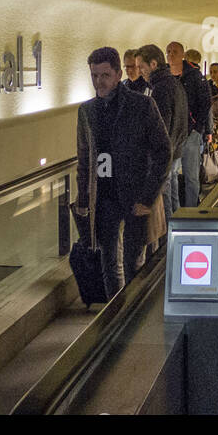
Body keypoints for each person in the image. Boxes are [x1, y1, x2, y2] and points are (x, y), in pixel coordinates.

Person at [73, 47, 171, 298]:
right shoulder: (87, 111)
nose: (99, 81)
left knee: (133, 262)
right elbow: (84, 159)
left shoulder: (142, 105)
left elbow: (163, 152)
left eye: (105, 75)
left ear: (118, 75)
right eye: (94, 75)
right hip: (104, 197)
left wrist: (148, 197)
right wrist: (83, 201)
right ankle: (114, 315)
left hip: (135, 196)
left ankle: (133, 315)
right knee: (109, 264)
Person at [139, 43, 189, 220]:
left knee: (165, 194)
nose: (140, 71)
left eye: (141, 67)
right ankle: (180, 225)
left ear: (153, 64)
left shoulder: (159, 89)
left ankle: (170, 237)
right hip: (176, 149)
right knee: (173, 190)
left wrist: (155, 153)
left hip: (166, 152)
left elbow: (161, 126)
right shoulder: (174, 83)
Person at [170, 43, 212, 208]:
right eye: (168, 52)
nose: (171, 55)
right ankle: (175, 212)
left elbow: (205, 102)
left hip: (190, 133)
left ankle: (191, 210)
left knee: (191, 176)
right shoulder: (166, 77)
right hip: (173, 134)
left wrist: (199, 128)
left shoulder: (194, 76)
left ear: (183, 55)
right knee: (171, 175)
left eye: (174, 52)